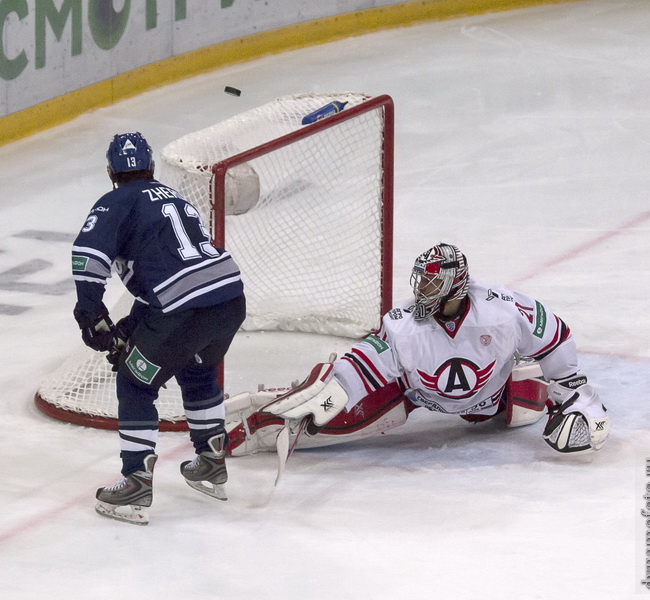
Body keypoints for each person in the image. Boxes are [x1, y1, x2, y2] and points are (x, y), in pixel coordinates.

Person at [227, 242, 609, 458]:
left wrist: (572, 393)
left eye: (430, 286)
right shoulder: (403, 323)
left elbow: (554, 336)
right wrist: (328, 399)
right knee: (337, 421)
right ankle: (269, 415)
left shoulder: (503, 309)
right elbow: (361, 366)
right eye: (420, 284)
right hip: (415, 396)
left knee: (534, 403)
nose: (420, 292)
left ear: (454, 286)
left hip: (494, 395)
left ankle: (529, 396)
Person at [71, 132, 246, 525]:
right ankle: (211, 460)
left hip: (182, 309)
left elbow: (87, 257)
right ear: (150, 167)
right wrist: (131, 325)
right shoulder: (175, 197)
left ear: (111, 172)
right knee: (196, 368)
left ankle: (135, 480)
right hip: (229, 299)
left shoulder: (114, 201)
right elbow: (172, 275)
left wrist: (91, 315)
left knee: (135, 382)